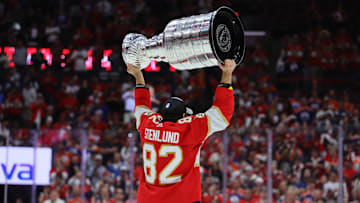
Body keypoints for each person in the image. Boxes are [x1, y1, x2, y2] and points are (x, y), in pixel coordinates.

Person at [126, 59, 236, 203]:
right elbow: (223, 112)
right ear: (183, 116)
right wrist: (227, 72)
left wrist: (137, 75)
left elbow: (141, 106)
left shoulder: (148, 124)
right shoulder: (190, 129)